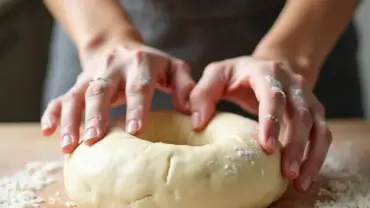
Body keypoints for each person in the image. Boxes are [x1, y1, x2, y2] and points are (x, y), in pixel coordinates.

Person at [40, 0, 364, 193]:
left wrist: (293, 55)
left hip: (302, 30)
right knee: (91, 143)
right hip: (101, 31)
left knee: (297, 160)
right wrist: (102, 40)